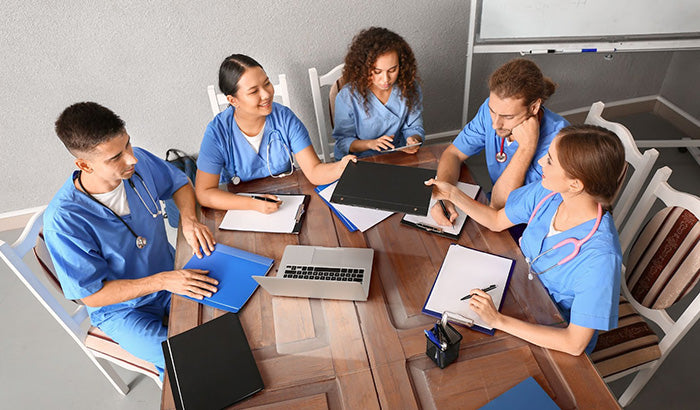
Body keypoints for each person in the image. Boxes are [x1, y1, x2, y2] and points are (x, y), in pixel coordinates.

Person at [43, 102, 218, 378]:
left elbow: (179, 183)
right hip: (123, 311)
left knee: (231, 323)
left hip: (174, 275)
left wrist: (188, 219)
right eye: (115, 157)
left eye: (128, 144)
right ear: (83, 164)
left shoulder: (139, 164)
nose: (131, 159)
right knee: (188, 361)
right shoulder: (64, 221)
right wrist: (161, 280)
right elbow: (91, 295)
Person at [426, 124, 624, 355]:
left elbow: (574, 343)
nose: (540, 163)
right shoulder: (549, 192)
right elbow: (497, 220)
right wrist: (451, 194)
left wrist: (498, 320)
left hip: (551, 332)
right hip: (518, 291)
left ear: (575, 183)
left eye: (549, 160)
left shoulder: (600, 259)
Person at [196, 54, 355, 212]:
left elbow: (314, 171)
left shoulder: (285, 118)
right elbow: (204, 193)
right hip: (239, 208)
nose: (266, 94)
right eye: (253, 92)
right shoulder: (217, 133)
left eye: (267, 83)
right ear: (233, 100)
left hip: (285, 204)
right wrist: (253, 204)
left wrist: (340, 167)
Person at [431, 58, 569, 225]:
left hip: (525, 225)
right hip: (492, 209)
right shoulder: (494, 111)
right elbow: (453, 153)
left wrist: (527, 147)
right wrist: (444, 199)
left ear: (534, 107)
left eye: (508, 117)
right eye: (492, 111)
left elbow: (501, 206)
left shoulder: (559, 143)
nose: (495, 124)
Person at [332, 27, 424, 159]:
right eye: (377, 72)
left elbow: (414, 127)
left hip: (397, 156)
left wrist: (413, 140)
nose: (386, 79)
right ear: (364, 68)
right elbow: (343, 141)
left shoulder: (409, 88)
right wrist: (370, 144)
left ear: (401, 66)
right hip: (360, 160)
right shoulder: (348, 97)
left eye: (392, 70)